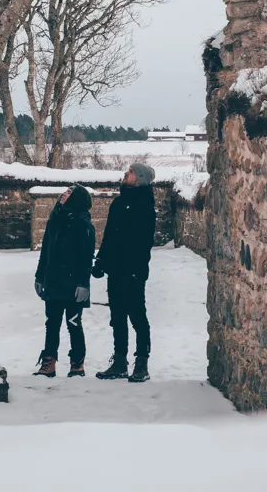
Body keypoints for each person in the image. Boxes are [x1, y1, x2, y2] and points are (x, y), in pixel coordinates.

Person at [92, 163, 156, 383]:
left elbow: (144, 243)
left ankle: (141, 363)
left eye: (129, 172)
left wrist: (136, 270)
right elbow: (110, 235)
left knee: (137, 315)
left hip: (134, 271)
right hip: (116, 270)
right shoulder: (118, 204)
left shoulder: (145, 205)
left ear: (138, 179)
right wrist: (101, 260)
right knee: (117, 316)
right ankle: (120, 362)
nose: (125, 174)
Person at [33, 185, 96, 378]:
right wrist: (39, 276)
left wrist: (84, 283)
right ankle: (48, 362)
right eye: (65, 192)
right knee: (52, 322)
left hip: (73, 282)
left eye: (69, 193)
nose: (64, 195)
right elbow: (46, 251)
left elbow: (86, 257)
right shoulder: (55, 219)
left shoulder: (83, 223)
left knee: (73, 322)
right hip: (53, 279)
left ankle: (77, 363)